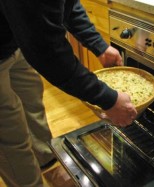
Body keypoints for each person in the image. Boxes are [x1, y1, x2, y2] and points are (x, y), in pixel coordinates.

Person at [0, 0, 137, 186]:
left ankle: (47, 164)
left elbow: (66, 4)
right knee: (10, 135)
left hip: (13, 37)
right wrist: (108, 99)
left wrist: (98, 45)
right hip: (14, 36)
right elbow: (47, 50)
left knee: (32, 105)